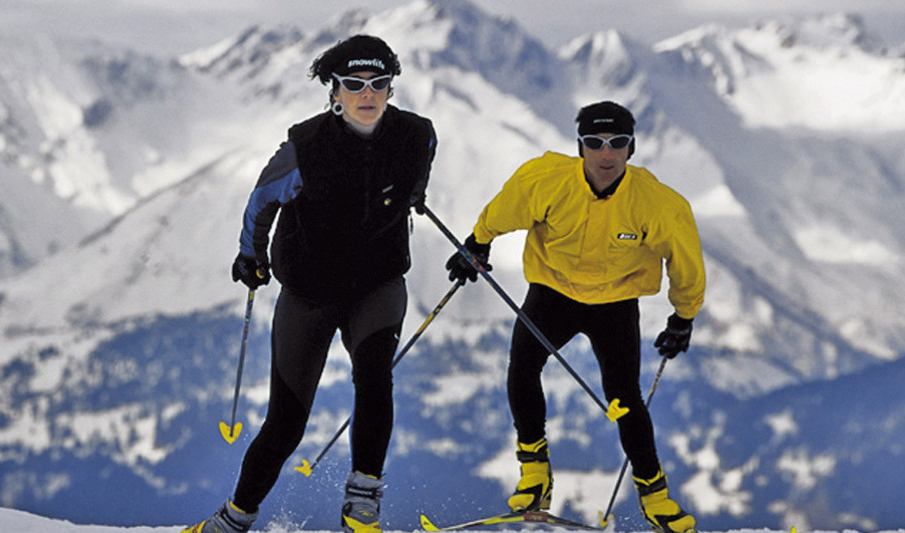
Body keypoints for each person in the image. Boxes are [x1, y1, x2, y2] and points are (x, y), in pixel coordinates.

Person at [183, 35, 437, 533]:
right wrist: (249, 256)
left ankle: (363, 501)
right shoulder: (305, 146)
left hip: (377, 284)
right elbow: (261, 202)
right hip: (309, 292)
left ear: (391, 88)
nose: (368, 94)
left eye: (379, 83)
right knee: (286, 421)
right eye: (354, 84)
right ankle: (235, 518)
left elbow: (417, 178)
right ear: (334, 91)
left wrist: (413, 196)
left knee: (373, 377)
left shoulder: (417, 135)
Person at [445, 101, 705, 533]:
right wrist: (479, 242)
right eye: (595, 143)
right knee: (523, 368)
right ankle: (535, 474)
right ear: (580, 146)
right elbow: (506, 207)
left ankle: (656, 498)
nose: (607, 154)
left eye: (618, 143)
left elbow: (686, 262)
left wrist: (683, 316)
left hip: (616, 303)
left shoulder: (658, 204)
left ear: (632, 147)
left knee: (624, 397)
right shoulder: (546, 180)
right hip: (553, 293)